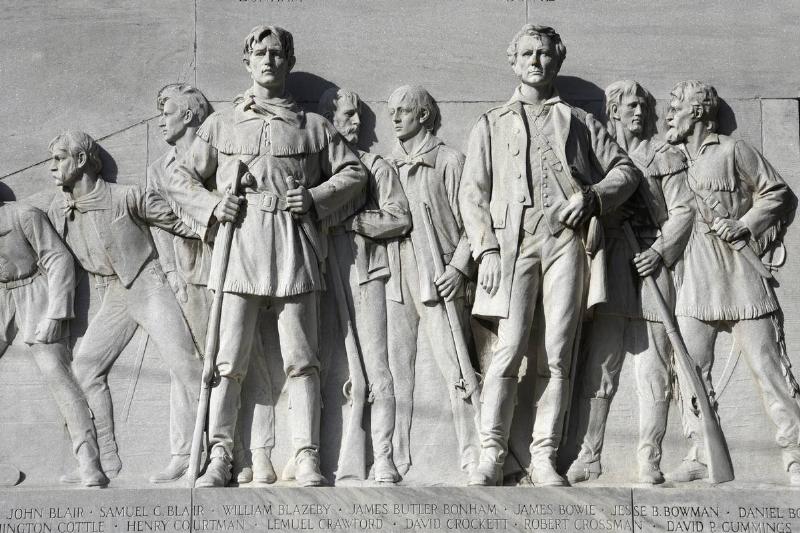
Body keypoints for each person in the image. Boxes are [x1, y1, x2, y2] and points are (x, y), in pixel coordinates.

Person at [160, 25, 367, 487]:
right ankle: (220, 454)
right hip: (240, 244)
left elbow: (353, 172)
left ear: (289, 61)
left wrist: (314, 197)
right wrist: (213, 205)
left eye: (277, 53)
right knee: (228, 359)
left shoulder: (314, 126)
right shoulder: (221, 125)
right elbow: (177, 176)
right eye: (260, 53)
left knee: (302, 358)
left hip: (294, 242)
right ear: (247, 61)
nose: (269, 60)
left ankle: (307, 454)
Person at [459, 24, 639, 486]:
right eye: (527, 53)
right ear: (514, 61)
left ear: (557, 60)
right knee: (507, 350)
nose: (536, 61)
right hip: (512, 245)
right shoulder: (490, 123)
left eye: (544, 54)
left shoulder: (578, 120)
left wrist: (593, 197)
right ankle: (492, 453)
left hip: (566, 243)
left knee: (557, 353)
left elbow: (625, 171)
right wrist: (486, 249)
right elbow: (472, 195)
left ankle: (544, 455)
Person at [46, 130, 202, 484]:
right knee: (85, 368)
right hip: (115, 292)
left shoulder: (128, 196)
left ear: (81, 160)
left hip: (148, 283)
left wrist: (217, 221)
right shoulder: (58, 209)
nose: (52, 167)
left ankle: (202, 452)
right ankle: (105, 459)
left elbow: (180, 223)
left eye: (59, 159)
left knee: (185, 364)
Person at [664, 80, 800, 486]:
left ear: (698, 112)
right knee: (690, 370)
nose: (669, 115)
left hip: (741, 274)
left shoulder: (734, 150)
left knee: (768, 367)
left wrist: (744, 224)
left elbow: (777, 193)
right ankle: (701, 453)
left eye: (676, 108)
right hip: (695, 277)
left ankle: (795, 451)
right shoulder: (671, 161)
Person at [566, 80, 693, 484]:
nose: (638, 112)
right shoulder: (597, 158)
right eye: (629, 106)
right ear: (613, 111)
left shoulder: (664, 155)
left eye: (643, 106)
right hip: (612, 264)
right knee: (600, 366)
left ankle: (649, 459)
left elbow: (683, 210)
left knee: (654, 371)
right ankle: (589, 455)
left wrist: (660, 251)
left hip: (652, 263)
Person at [385, 84, 480, 477]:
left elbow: (475, 222)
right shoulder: (387, 165)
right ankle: (395, 455)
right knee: (397, 370)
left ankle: (474, 452)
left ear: (423, 115)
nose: (395, 118)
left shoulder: (449, 160)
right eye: (391, 111)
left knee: (457, 368)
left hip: (440, 275)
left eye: (403, 110)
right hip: (397, 277)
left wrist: (459, 268)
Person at [318, 87, 411, 482]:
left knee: (377, 368)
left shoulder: (375, 166)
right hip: (320, 276)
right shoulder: (316, 170)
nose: (357, 123)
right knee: (321, 366)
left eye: (358, 115)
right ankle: (316, 456)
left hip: (365, 273)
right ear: (329, 121)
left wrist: (353, 221)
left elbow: (400, 217)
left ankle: (384, 456)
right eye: (348, 115)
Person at [0, 201, 106, 487]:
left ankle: (89, 462)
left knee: (56, 374)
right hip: (1, 296)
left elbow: (58, 259)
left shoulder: (24, 215)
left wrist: (55, 314)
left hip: (35, 292)